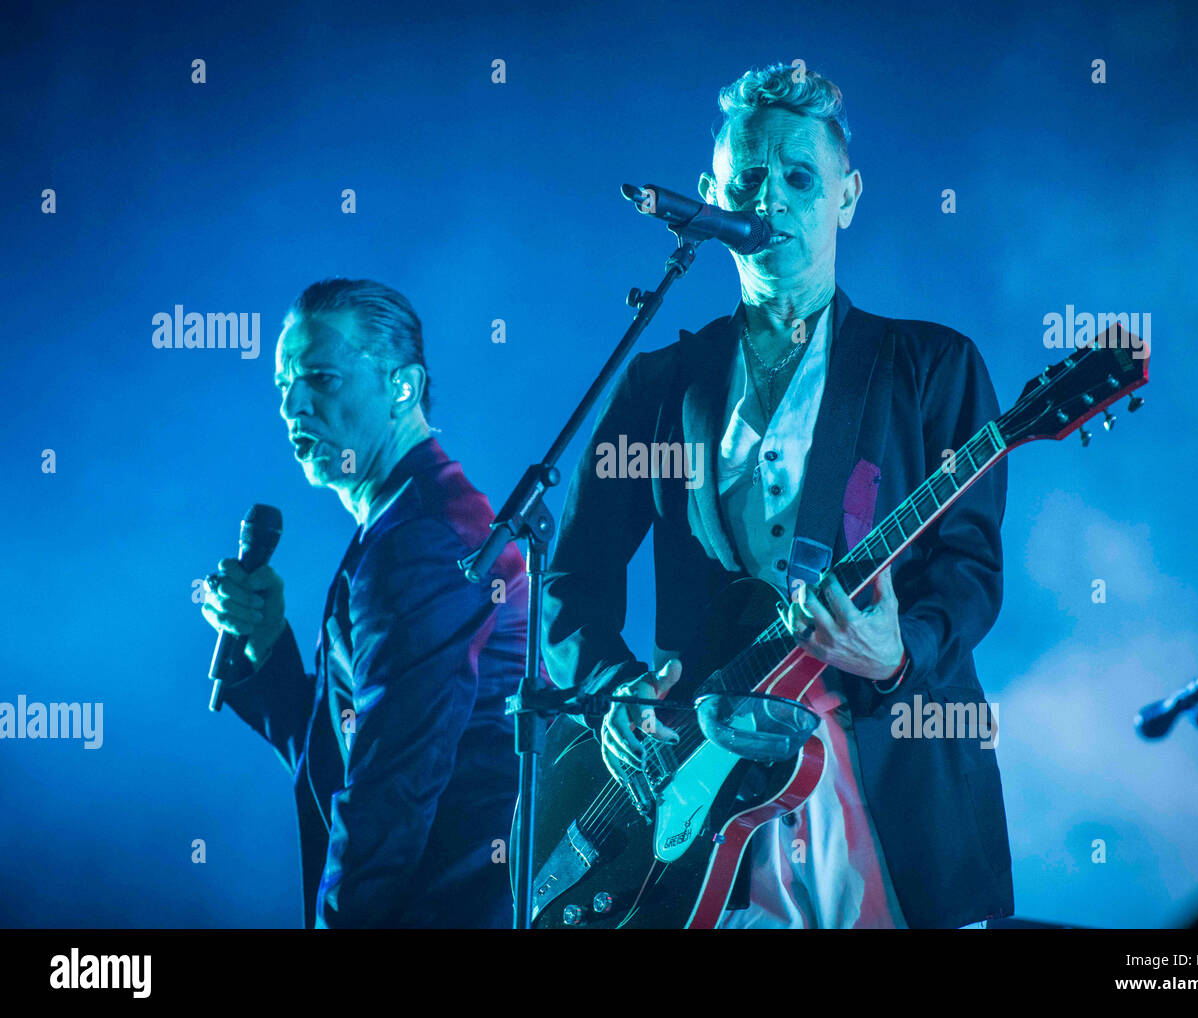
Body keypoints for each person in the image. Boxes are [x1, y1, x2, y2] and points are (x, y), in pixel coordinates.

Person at [541, 64, 1013, 928]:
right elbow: (570, 581)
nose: (773, 198)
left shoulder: (931, 368)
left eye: (800, 177)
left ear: (848, 195)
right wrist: (614, 691)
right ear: (712, 197)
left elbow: (973, 566)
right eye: (748, 179)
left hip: (881, 763)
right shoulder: (659, 382)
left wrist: (900, 649)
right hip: (702, 776)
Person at [200, 278, 526, 928]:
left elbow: (391, 786)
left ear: (402, 386)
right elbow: (357, 751)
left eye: (320, 377)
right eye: (283, 385)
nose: (293, 405)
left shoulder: (423, 540)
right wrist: (270, 643)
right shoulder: (407, 520)